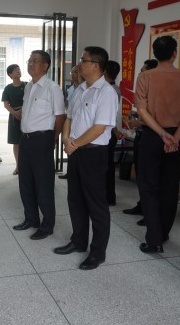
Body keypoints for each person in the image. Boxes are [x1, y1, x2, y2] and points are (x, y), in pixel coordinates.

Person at [54, 46, 118, 270]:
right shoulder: (80, 89)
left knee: (96, 204)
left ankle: (98, 252)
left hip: (93, 153)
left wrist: (74, 144)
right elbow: (69, 118)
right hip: (76, 151)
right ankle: (78, 241)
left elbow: (100, 128)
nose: (79, 63)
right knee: (75, 199)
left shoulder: (106, 93)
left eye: (83, 60)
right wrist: (66, 139)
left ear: (96, 65)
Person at [135, 36, 180, 254]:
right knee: (170, 187)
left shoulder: (145, 77)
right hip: (176, 137)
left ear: (154, 53)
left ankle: (154, 239)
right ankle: (164, 233)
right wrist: (175, 137)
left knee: (149, 187)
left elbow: (141, 110)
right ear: (174, 53)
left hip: (153, 136)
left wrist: (161, 134)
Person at [13, 51, 65, 240]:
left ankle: (47, 225)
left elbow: (60, 116)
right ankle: (31, 219)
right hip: (25, 139)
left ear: (45, 65)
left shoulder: (52, 88)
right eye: (29, 60)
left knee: (43, 185)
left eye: (35, 61)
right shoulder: (29, 87)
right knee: (25, 182)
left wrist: (53, 138)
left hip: (42, 140)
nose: (30, 64)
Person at [122, 59, 158, 219]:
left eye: (142, 71)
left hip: (152, 138)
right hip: (141, 137)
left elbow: (158, 118)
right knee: (141, 175)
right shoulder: (145, 90)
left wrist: (139, 122)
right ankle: (142, 205)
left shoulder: (157, 92)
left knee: (150, 177)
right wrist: (136, 116)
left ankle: (150, 213)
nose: (139, 74)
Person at [104, 60, 124, 206]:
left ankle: (109, 197)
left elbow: (109, 116)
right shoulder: (112, 88)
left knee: (107, 166)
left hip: (108, 132)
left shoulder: (111, 90)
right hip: (109, 130)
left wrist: (115, 130)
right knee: (106, 165)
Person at [58, 65, 83, 180]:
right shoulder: (71, 89)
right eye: (72, 72)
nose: (73, 75)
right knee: (68, 146)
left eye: (76, 72)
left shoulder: (85, 89)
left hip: (78, 124)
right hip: (69, 120)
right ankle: (70, 171)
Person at [2, 64, 26, 175]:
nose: (18, 71)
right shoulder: (8, 88)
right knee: (16, 142)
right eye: (15, 70)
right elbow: (6, 104)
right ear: (10, 74)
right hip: (14, 117)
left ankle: (27, 166)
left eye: (19, 69)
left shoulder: (26, 85)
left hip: (26, 115)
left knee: (27, 141)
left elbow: (29, 100)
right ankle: (18, 166)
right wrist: (15, 112)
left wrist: (21, 111)